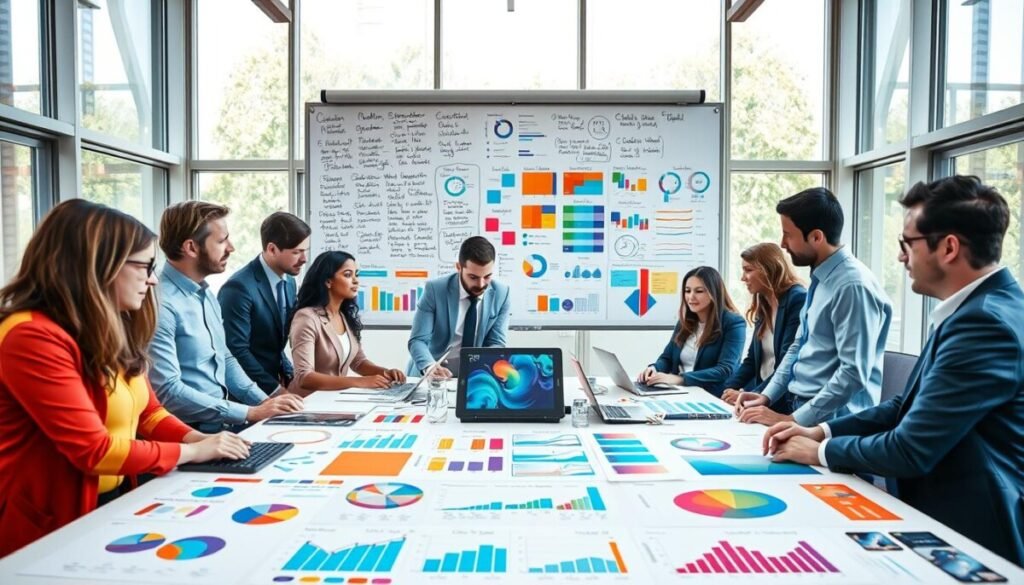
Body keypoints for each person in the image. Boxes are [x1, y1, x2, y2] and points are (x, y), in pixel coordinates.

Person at [763, 176, 1024, 567]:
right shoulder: (973, 310)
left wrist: (819, 450)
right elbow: (905, 404)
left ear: (949, 247)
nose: (901, 257)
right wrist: (821, 430)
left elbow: (910, 448)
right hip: (950, 519)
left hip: (974, 534)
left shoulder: (984, 323)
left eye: (908, 244)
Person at [0, 200, 250, 557]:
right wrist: (192, 451)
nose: (152, 278)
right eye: (143, 266)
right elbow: (94, 451)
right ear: (99, 265)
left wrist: (207, 441)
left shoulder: (108, 327)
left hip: (108, 503)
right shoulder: (31, 335)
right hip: (50, 525)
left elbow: (150, 414)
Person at [735, 187, 892, 426]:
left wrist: (793, 420)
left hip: (832, 423)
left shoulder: (852, 286)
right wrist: (765, 396)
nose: (782, 244)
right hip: (801, 408)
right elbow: (799, 347)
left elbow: (852, 373)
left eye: (788, 235)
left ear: (816, 237)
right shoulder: (821, 279)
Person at [149, 201, 303, 432]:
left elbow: (226, 358)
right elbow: (168, 391)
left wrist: (264, 402)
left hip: (219, 427)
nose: (231, 247)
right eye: (221, 241)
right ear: (191, 248)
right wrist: (250, 412)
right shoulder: (161, 303)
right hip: (184, 434)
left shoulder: (205, 293)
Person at [288, 251, 406, 395]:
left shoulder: (344, 316)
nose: (356, 280)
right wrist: (359, 382)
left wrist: (385, 372)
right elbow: (304, 377)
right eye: (348, 275)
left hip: (335, 401)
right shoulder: (306, 317)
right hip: (306, 403)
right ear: (328, 281)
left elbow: (358, 362)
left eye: (356, 274)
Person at [219, 211, 310, 394]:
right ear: (272, 249)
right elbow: (237, 351)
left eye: (305, 251)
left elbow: (274, 342)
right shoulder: (238, 288)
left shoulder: (289, 281)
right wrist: (275, 390)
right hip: (247, 394)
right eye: (296, 252)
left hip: (277, 384)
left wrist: (288, 374)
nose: (304, 259)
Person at [407, 236, 511, 377]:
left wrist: (483, 370)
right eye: (473, 277)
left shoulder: (502, 294)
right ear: (459, 267)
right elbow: (418, 340)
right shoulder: (435, 290)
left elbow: (496, 343)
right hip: (432, 372)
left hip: (474, 373)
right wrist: (429, 366)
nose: (481, 285)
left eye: (487, 276)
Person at [638, 266, 746, 397]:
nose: (691, 297)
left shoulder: (733, 323)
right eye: (687, 291)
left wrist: (681, 379)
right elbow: (667, 358)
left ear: (714, 293)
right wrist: (654, 369)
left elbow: (725, 369)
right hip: (679, 392)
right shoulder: (685, 322)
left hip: (710, 395)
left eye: (699, 291)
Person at [722, 243, 807, 404]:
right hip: (762, 394)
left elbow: (786, 363)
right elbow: (752, 361)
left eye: (748, 270)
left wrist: (752, 395)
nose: (743, 278)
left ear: (769, 268)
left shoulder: (797, 299)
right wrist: (725, 391)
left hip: (783, 399)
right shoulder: (764, 303)